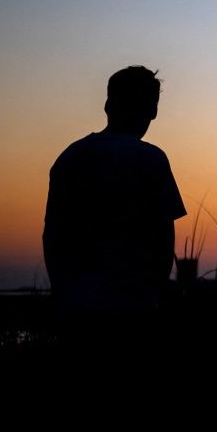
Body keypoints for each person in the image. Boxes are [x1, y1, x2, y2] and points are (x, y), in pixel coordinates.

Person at [43, 66, 186, 319]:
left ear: (108, 105)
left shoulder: (69, 158)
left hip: (77, 301)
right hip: (133, 303)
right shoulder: (151, 159)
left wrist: (61, 291)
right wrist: (157, 291)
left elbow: (53, 234)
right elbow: (163, 237)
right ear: (153, 111)